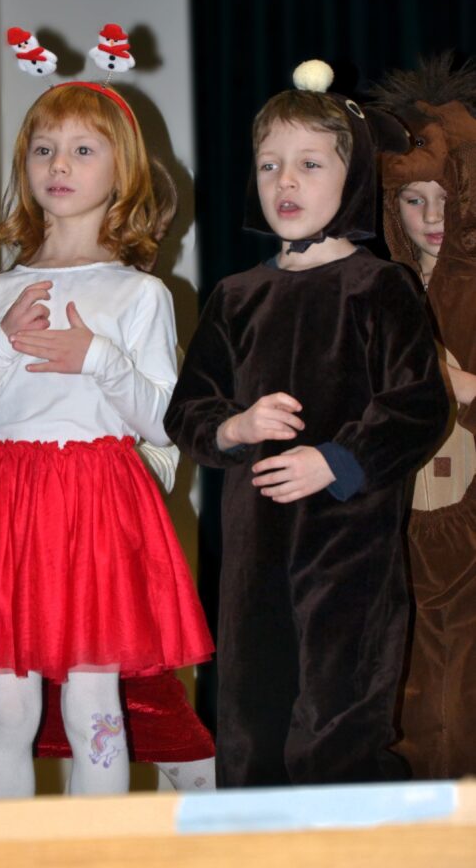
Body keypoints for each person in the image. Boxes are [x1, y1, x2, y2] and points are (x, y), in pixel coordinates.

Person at [0, 80, 213, 798]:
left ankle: (95, 848)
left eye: (84, 150)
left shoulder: (140, 294)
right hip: (4, 502)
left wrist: (98, 358)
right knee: (5, 710)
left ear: (123, 172)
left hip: (97, 503)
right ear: (23, 166)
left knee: (93, 709)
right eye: (44, 149)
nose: (59, 164)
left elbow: (163, 422)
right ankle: (12, 848)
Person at [164, 61, 449, 787]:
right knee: (250, 722)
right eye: (269, 165)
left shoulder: (379, 286)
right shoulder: (236, 296)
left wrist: (336, 460)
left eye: (309, 164)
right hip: (252, 556)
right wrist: (233, 427)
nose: (284, 181)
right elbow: (187, 409)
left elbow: (417, 405)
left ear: (353, 178)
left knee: (339, 723)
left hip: (349, 550)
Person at [0, 311, 215, 796]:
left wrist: (98, 482)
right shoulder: (4, 303)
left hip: (97, 546)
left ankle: (240, 826)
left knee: (133, 708)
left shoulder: (138, 306)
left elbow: (168, 438)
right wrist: (4, 375)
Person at [375, 55, 476, 778]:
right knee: (408, 682)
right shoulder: (381, 291)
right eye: (413, 201)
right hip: (402, 517)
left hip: (466, 515)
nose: (432, 219)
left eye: (445, 198)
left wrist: (462, 388)